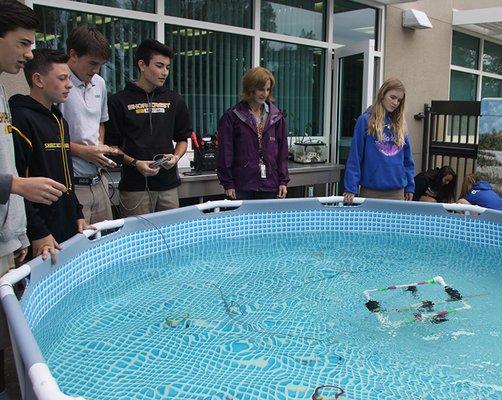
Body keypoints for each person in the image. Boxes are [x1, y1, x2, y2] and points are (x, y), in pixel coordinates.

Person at [0, 2, 65, 396]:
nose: (28, 54)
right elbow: (14, 174)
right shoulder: (20, 112)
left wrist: (19, 231)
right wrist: (18, 187)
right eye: (22, 43)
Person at [10, 49, 88, 264]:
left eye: (69, 78)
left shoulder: (59, 120)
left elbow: (66, 175)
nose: (69, 84)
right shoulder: (20, 119)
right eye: (62, 78)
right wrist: (37, 232)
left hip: (66, 223)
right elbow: (16, 183)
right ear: (38, 80)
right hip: (40, 234)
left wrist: (77, 213)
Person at [105, 39, 191, 217]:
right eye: (159, 66)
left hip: (168, 186)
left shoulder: (175, 100)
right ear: (142, 65)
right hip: (135, 188)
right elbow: (111, 147)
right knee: (138, 241)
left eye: (167, 67)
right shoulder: (118, 101)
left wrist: (175, 157)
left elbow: (183, 138)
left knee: (171, 239)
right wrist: (136, 163)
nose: (165, 72)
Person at [60, 25, 116, 224]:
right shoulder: (59, 83)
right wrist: (84, 151)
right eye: (92, 63)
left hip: (98, 181)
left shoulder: (99, 82)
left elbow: (101, 122)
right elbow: (49, 139)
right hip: (72, 184)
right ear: (73, 54)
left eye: (100, 64)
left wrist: (98, 147)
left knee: (106, 243)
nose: (95, 70)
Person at [217, 66, 289, 200]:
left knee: (267, 221)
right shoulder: (232, 117)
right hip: (242, 184)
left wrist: (283, 181)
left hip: (270, 184)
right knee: (243, 221)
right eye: (261, 89)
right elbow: (225, 153)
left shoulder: (277, 117)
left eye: (268, 89)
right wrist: (228, 183)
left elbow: (282, 152)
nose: (265, 93)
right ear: (250, 88)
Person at [343, 78, 415, 203]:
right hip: (371, 191)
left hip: (397, 192)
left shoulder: (400, 124)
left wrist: (410, 186)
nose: (395, 103)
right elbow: (355, 156)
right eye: (392, 97)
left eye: (399, 100)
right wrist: (351, 187)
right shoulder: (365, 121)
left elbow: (407, 159)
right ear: (382, 94)